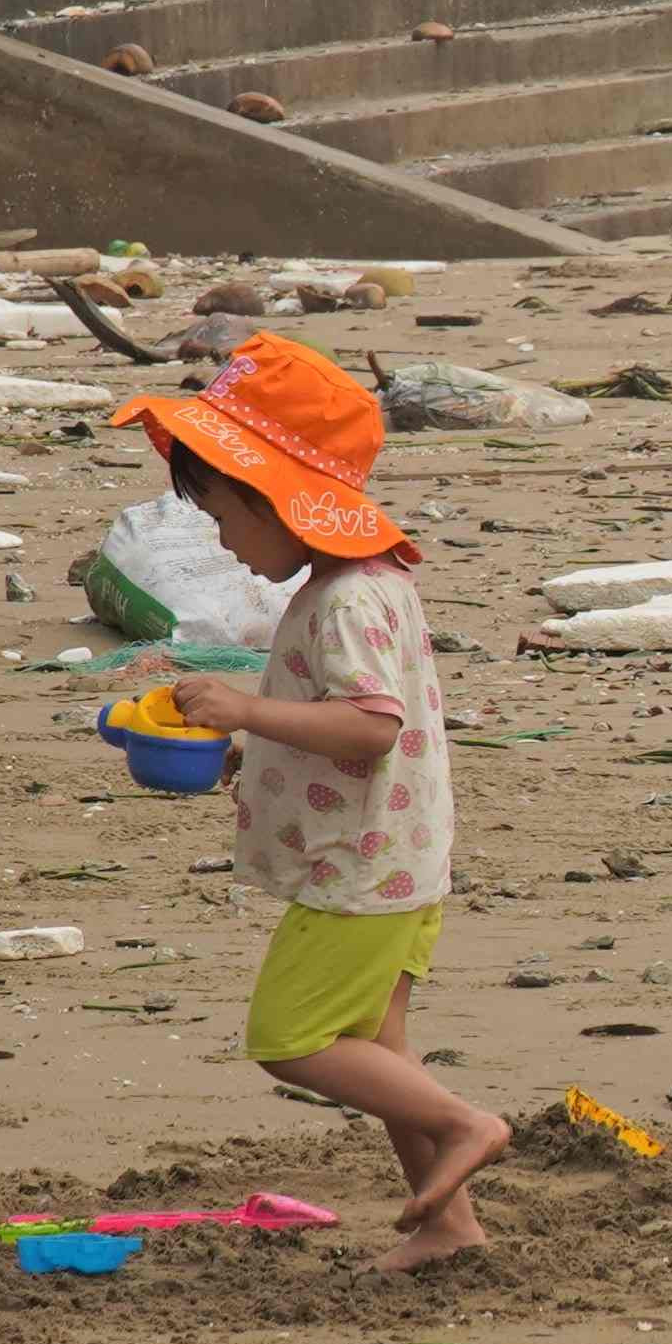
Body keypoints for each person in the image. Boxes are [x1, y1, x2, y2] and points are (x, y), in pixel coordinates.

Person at [113, 330, 503, 1267]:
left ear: (279, 498)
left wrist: (245, 706)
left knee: (292, 1039)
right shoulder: (359, 583)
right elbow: (346, 724)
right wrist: (257, 753)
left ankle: (465, 1125)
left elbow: (371, 725)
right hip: (397, 854)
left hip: (359, 870)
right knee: (378, 1051)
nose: (221, 539)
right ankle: (448, 1227)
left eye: (222, 516)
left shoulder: (346, 601)